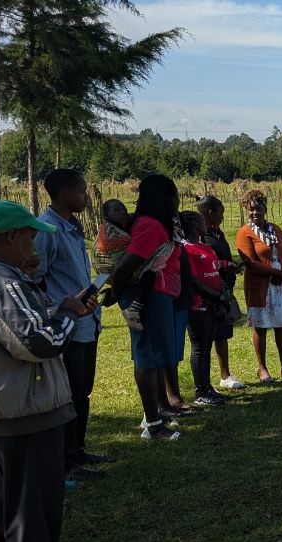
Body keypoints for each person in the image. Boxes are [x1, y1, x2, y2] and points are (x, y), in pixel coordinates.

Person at [0, 200, 96, 542]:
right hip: (26, 412)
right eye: (29, 236)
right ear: (10, 237)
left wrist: (52, 306)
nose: (34, 245)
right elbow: (39, 342)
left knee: (5, 517)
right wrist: (68, 314)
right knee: (33, 519)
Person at [33, 169, 114, 483]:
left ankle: (77, 450)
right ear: (65, 192)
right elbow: (36, 278)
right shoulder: (47, 229)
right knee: (68, 394)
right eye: (82, 191)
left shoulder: (73, 227)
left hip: (86, 321)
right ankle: (65, 461)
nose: (85, 197)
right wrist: (61, 304)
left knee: (82, 391)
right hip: (65, 324)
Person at [109, 174, 184, 441]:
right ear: (164, 198)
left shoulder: (154, 224)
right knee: (146, 358)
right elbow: (127, 264)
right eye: (174, 194)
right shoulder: (150, 226)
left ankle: (153, 414)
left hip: (157, 297)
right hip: (148, 298)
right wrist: (117, 294)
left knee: (152, 358)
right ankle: (153, 424)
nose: (177, 199)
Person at [236, 189, 282, 383]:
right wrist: (275, 273)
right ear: (247, 210)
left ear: (265, 207)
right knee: (261, 327)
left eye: (258, 208)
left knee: (281, 326)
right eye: (251, 209)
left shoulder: (276, 229)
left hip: (280, 284)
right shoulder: (245, 232)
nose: (255, 212)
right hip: (260, 285)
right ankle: (262, 368)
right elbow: (250, 262)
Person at [179, 211, 230, 407]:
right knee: (199, 347)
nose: (205, 223)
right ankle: (200, 390)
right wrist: (215, 295)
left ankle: (207, 386)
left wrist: (226, 265)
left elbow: (213, 267)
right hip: (198, 304)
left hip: (212, 305)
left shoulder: (204, 246)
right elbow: (192, 279)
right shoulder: (186, 249)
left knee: (207, 345)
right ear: (193, 224)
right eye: (201, 220)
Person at [196, 196, 245, 390]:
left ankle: (225, 374)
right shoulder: (199, 236)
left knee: (222, 331)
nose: (223, 216)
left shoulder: (217, 232)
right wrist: (225, 264)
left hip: (224, 286)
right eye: (221, 212)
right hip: (209, 290)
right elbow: (201, 262)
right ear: (210, 213)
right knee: (207, 335)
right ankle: (204, 382)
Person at [92, 198, 131, 276]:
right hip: (116, 274)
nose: (123, 212)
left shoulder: (124, 226)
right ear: (106, 216)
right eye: (117, 210)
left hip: (105, 276)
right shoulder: (109, 233)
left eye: (124, 208)